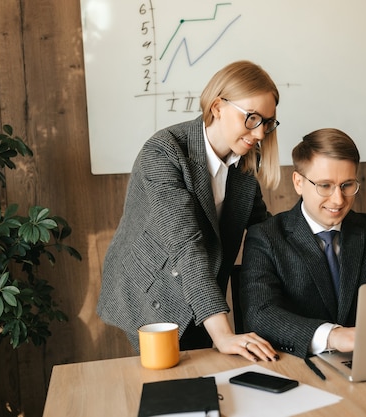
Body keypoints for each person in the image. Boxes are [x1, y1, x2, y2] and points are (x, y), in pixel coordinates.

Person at [97, 60, 281, 362]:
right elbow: (186, 245)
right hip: (153, 291)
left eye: (268, 122)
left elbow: (263, 227)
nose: (260, 133)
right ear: (218, 107)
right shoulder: (164, 151)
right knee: (172, 388)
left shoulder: (245, 159)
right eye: (252, 118)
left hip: (203, 287)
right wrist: (222, 334)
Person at [239, 128, 366, 359]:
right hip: (297, 365)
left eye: (347, 185)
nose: (338, 200)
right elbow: (260, 314)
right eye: (325, 186)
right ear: (298, 182)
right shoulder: (266, 237)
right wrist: (333, 336)